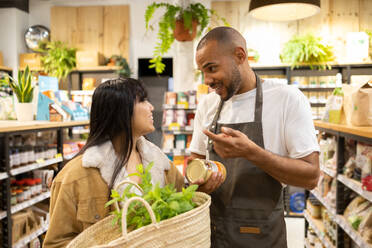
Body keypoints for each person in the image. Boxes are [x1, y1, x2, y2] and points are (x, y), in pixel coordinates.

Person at [189, 27, 320, 247]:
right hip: (212, 235)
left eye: (212, 68)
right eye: (203, 72)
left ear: (240, 55)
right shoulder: (208, 105)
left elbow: (311, 177)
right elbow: (194, 167)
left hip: (262, 237)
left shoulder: (286, 99)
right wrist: (201, 183)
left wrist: (251, 152)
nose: (207, 80)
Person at [43, 78, 184, 248]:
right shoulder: (74, 177)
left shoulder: (165, 168)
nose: (151, 107)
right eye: (143, 100)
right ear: (120, 110)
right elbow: (55, 243)